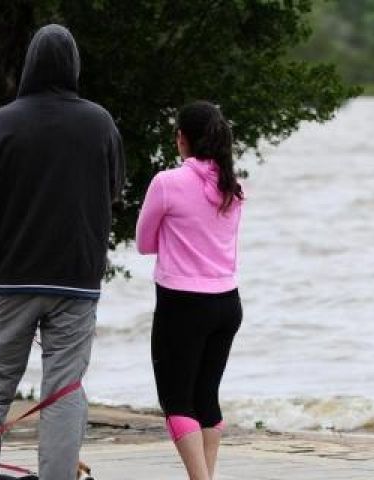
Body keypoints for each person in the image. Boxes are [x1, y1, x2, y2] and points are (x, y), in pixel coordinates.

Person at [0, 24, 125, 480]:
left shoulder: (0, 124)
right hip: (77, 281)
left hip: (10, 280)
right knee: (64, 390)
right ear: (74, 67)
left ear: (29, 64)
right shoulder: (100, 123)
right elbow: (114, 193)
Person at [135, 101, 244, 480]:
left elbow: (144, 242)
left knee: (177, 401)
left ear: (181, 139)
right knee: (206, 399)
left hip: (183, 305)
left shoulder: (166, 183)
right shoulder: (233, 188)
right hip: (228, 304)